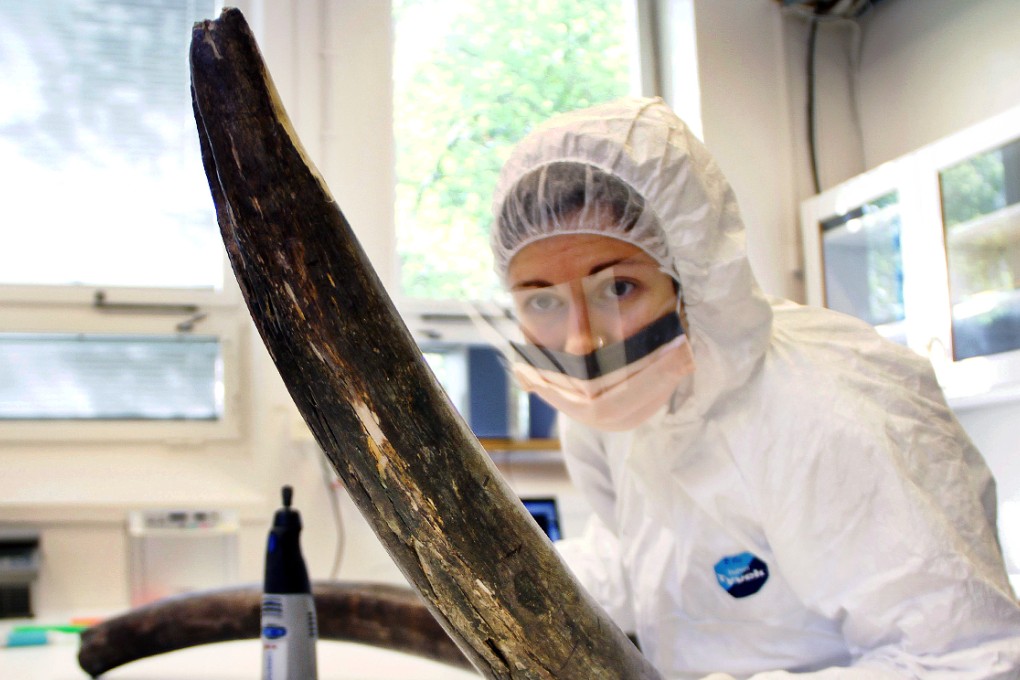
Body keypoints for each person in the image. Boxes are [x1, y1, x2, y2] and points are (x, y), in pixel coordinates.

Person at [487, 97, 1020, 678]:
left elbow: (968, 658)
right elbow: (639, 553)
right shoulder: (616, 417)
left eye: (617, 288)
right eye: (542, 301)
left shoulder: (829, 411)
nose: (581, 344)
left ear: (690, 271)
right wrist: (507, 581)